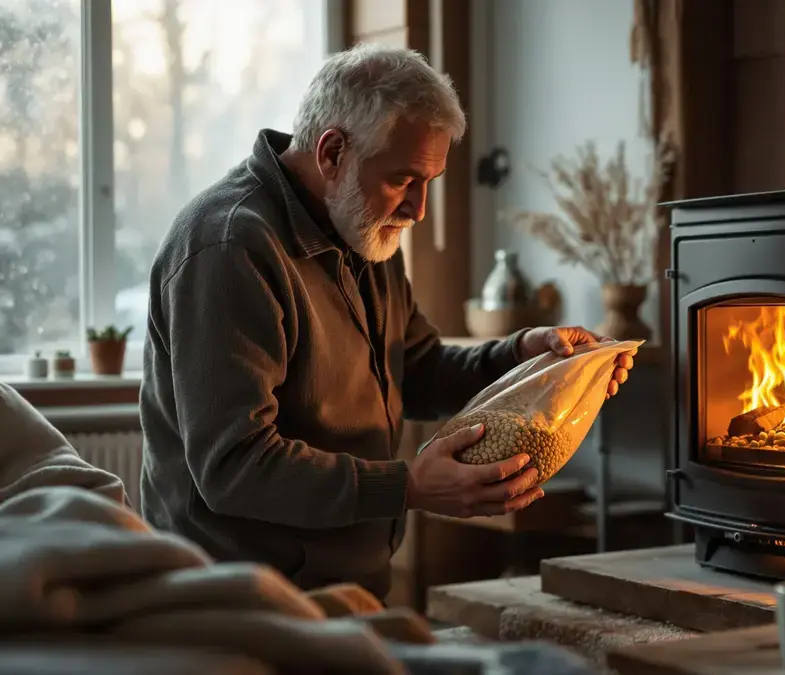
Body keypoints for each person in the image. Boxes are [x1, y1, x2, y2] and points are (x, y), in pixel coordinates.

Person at [138, 43, 635, 602]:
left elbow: (417, 368)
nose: (418, 209)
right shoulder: (229, 247)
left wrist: (528, 357)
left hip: (343, 587)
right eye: (404, 180)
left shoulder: (360, 225)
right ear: (332, 153)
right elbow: (235, 467)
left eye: (430, 182)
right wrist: (407, 486)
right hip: (238, 600)